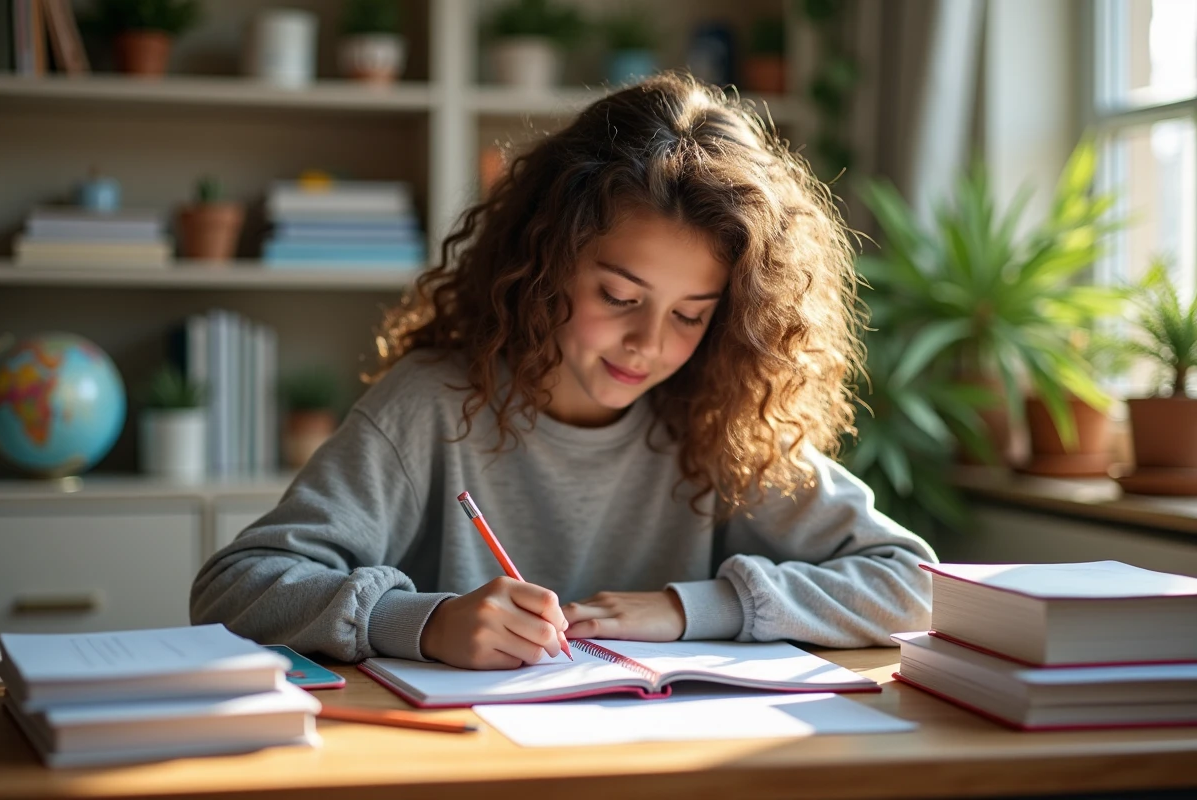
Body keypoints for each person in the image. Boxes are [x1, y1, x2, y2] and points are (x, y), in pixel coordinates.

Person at [191, 72, 937, 670]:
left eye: (691, 314)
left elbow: (914, 584)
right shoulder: (435, 405)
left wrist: (693, 609)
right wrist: (421, 621)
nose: (646, 343)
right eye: (619, 296)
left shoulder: (721, 414)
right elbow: (233, 589)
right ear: (543, 266)